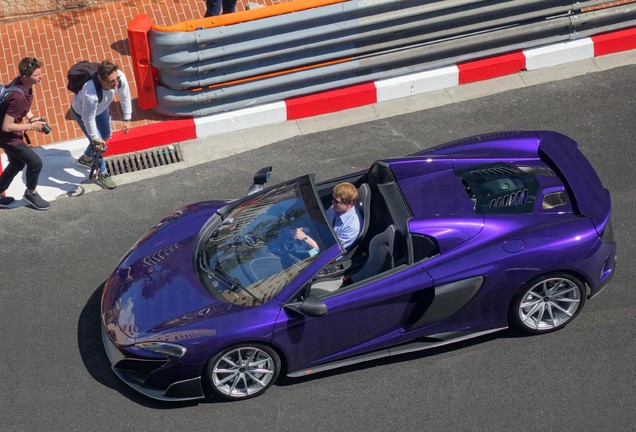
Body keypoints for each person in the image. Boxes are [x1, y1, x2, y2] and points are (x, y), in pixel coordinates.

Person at [71, 60, 132, 190]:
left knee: (105, 134)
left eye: (117, 79)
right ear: (102, 80)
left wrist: (127, 118)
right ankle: (102, 173)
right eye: (112, 81)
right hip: (83, 113)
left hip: (101, 108)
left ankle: (85, 159)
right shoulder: (90, 94)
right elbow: (88, 119)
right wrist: (95, 139)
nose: (116, 83)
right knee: (98, 146)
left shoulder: (118, 77)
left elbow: (125, 95)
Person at [0, 57, 50, 210]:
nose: (40, 77)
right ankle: (31, 193)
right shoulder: (18, 97)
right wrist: (31, 126)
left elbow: (24, 107)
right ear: (25, 77)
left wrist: (31, 117)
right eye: (37, 75)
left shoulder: (22, 85)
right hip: (8, 137)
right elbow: (7, 127)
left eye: (40, 73)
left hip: (9, 136)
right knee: (35, 163)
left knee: (17, 163)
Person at [295, 182, 363, 251]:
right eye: (333, 198)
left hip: (330, 257)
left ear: (350, 203)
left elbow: (330, 251)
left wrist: (305, 237)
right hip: (322, 241)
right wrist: (308, 230)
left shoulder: (352, 227)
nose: (332, 202)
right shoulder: (335, 208)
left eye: (336, 201)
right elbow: (324, 227)